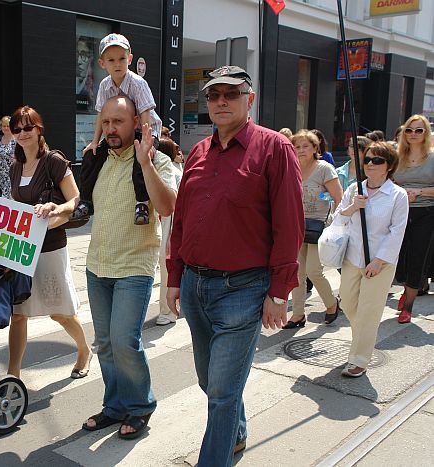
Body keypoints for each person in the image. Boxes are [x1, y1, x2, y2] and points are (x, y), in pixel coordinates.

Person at [166, 66, 303, 466]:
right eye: (213, 95)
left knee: (223, 393)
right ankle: (237, 432)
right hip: (194, 287)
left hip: (242, 291)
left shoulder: (275, 148)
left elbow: (289, 226)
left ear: (250, 99)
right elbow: (182, 219)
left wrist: (279, 292)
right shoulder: (197, 151)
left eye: (231, 93)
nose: (221, 101)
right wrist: (175, 277)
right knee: (210, 382)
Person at [82, 95, 176, 439]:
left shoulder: (157, 160)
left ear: (136, 123)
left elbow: (167, 207)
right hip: (97, 266)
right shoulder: (96, 160)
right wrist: (53, 210)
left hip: (134, 267)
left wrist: (146, 163)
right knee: (105, 344)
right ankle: (115, 406)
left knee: (124, 342)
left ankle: (139, 407)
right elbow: (80, 205)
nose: (110, 129)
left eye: (117, 122)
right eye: (105, 122)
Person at [6, 105, 92, 380]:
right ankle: (13, 374)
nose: (22, 133)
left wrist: (56, 207)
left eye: (28, 127)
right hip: (23, 248)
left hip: (52, 246)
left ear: (39, 129)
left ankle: (84, 350)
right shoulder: (16, 166)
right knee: (18, 313)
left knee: (60, 313)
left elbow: (76, 200)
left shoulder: (54, 161)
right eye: (17, 128)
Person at [333, 142, 408, 377]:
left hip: (380, 263)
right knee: (346, 302)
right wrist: (353, 207)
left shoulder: (397, 195)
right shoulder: (354, 190)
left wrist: (378, 261)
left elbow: (397, 231)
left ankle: (359, 359)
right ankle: (364, 336)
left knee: (369, 310)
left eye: (377, 161)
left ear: (389, 166)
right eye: (367, 160)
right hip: (352, 258)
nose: (371, 164)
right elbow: (337, 219)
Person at [73, 33, 164, 225]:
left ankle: (141, 202)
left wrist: (148, 141)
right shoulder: (105, 86)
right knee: (91, 156)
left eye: (122, 58)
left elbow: (146, 112)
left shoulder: (138, 83)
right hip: (119, 130)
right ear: (102, 63)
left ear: (130, 59)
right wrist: (95, 142)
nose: (117, 64)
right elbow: (101, 115)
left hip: (146, 129)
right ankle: (86, 201)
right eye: (111, 60)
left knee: (140, 160)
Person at [284, 130, 343, 329]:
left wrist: (336, 224)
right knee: (297, 273)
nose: (301, 150)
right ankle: (298, 314)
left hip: (320, 227)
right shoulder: (291, 168)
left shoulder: (324, 168)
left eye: (305, 146)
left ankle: (331, 303)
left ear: (315, 148)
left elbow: (339, 198)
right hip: (297, 226)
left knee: (313, 271)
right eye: (297, 146)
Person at [392, 115, 434, 324]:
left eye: (419, 130)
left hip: (425, 214)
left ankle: (408, 306)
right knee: (397, 259)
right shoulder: (396, 156)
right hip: (398, 213)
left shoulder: (433, 158)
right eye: (409, 130)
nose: (413, 134)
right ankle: (405, 289)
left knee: (417, 259)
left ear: (426, 133)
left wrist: (419, 191)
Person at [155, 137, 183, 326]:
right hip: (164, 221)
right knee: (166, 266)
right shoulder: (166, 169)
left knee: (167, 266)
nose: (179, 153)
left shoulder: (172, 171)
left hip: (169, 222)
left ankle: (169, 311)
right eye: (176, 149)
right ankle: (170, 309)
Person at [0, 115, 17, 199]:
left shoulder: (16, 140)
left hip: (12, 171)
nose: (6, 128)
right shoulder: (0, 139)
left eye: (8, 126)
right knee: (5, 192)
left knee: (9, 193)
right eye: (4, 126)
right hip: (1, 172)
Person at [76, 36, 95, 112]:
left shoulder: (95, 90)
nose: (79, 61)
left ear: (91, 59)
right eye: (78, 54)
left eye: (84, 55)